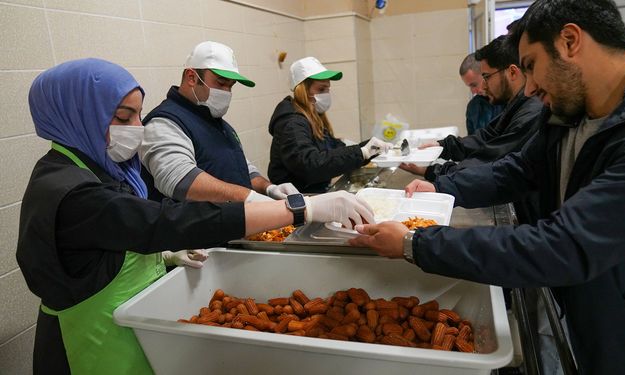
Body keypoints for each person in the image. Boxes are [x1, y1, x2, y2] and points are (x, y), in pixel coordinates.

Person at [17, 58, 374, 375]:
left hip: (124, 326)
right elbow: (161, 221)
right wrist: (298, 209)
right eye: (125, 117)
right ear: (78, 115)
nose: (137, 127)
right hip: (88, 346)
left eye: (138, 115)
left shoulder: (101, 166)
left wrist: (162, 254)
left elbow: (122, 231)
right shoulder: (71, 189)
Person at [351, 0, 625, 373]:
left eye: (532, 65)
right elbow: (517, 170)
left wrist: (413, 243)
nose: (530, 87)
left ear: (570, 41)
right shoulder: (569, 113)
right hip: (581, 305)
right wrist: (445, 187)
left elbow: (563, 245)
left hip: (623, 323)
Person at [140, 41, 297, 203]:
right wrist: (246, 197)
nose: (226, 92)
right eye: (221, 83)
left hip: (234, 222)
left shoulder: (217, 123)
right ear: (192, 77)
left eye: (230, 86)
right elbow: (180, 180)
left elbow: (242, 168)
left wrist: (269, 188)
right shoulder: (163, 123)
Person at [400, 35, 543, 185]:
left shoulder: (530, 112)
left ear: (513, 72)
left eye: (486, 77)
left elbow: (488, 161)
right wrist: (443, 146)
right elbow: (486, 138)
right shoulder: (514, 105)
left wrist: (433, 174)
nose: (483, 87)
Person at [267, 56, 393, 193]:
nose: (326, 94)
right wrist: (361, 152)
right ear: (302, 90)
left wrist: (369, 149)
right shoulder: (292, 123)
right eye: (321, 90)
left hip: (315, 189)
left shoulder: (313, 117)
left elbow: (334, 149)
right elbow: (309, 165)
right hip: (296, 196)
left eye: (327, 89)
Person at [459, 53, 504, 135]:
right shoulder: (472, 107)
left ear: (485, 75)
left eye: (474, 85)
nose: (473, 91)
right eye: (469, 86)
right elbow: (471, 142)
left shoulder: (508, 100)